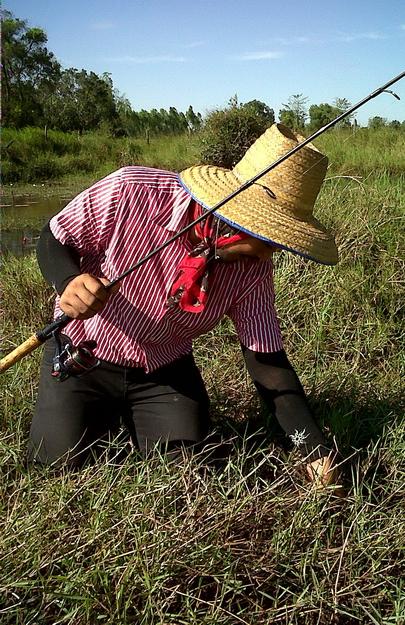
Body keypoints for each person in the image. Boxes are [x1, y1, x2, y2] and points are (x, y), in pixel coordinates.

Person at [29, 123, 343, 495]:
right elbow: (54, 237)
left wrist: (314, 449)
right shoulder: (132, 190)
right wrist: (68, 281)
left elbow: (267, 360)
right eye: (271, 240)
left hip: (165, 371)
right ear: (238, 223)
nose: (271, 253)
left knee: (187, 479)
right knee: (55, 473)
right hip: (83, 358)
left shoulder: (254, 269)